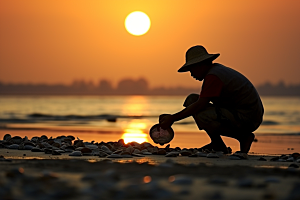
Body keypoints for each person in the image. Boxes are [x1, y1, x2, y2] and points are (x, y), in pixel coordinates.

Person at [159, 45, 264, 155]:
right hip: (242, 113)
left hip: (247, 117)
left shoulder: (213, 76)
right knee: (192, 100)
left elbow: (201, 105)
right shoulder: (216, 71)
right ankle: (218, 143)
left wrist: (173, 118)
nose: (191, 74)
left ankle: (243, 137)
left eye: (192, 69)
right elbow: (200, 102)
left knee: (202, 114)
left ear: (200, 65)